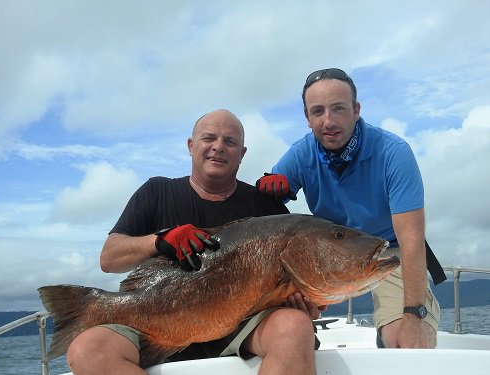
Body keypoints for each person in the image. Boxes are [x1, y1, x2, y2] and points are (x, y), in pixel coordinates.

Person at [66, 109, 322, 375]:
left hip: (243, 326)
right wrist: (160, 241)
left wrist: (305, 304)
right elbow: (109, 258)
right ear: (191, 146)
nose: (218, 147)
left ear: (242, 153)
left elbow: (302, 285)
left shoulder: (266, 205)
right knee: (88, 350)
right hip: (156, 320)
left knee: (294, 327)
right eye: (208, 138)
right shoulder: (157, 191)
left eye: (230, 142)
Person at [257, 68, 445, 349]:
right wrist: (264, 191)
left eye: (338, 109)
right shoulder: (300, 155)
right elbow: (261, 220)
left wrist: (415, 315)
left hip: (387, 250)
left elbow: (412, 241)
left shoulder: (394, 152)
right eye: (318, 111)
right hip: (325, 257)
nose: (328, 121)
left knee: (404, 339)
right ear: (307, 118)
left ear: (356, 110)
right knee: (276, 327)